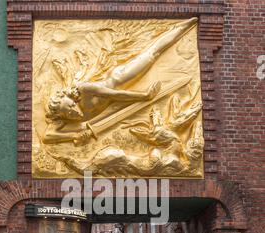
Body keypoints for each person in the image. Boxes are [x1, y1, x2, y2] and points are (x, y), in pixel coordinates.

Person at [44, 18, 198, 144]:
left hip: (120, 79)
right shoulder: (62, 117)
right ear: (62, 115)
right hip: (117, 104)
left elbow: (115, 94)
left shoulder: (85, 90)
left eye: (71, 105)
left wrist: (144, 96)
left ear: (72, 99)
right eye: (69, 112)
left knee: (152, 54)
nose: (74, 111)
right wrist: (73, 136)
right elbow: (47, 136)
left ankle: (182, 27)